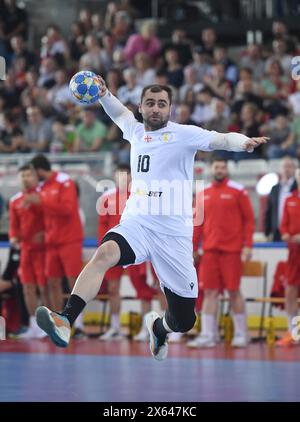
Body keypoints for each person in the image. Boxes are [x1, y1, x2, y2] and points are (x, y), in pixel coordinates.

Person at [36, 80, 268, 361]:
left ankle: (159, 327)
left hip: (174, 235)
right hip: (139, 224)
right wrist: (104, 94)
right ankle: (65, 320)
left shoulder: (184, 134)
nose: (156, 109)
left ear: (170, 108)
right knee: (104, 254)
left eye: (162, 104)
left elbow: (220, 139)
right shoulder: (134, 131)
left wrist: (244, 142)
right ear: (141, 107)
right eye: (150, 103)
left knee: (184, 321)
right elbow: (119, 113)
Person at [188, 158, 255, 348]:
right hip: (209, 251)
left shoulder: (238, 191)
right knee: (209, 292)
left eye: (223, 167)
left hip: (232, 251)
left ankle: (242, 334)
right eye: (216, 167)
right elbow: (196, 224)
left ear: (227, 169)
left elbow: (249, 221)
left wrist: (248, 245)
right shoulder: (203, 193)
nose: (220, 170)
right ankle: (209, 335)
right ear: (211, 169)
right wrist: (193, 248)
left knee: (234, 291)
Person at [25, 155, 84, 335]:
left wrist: (41, 202)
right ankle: (59, 323)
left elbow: (67, 209)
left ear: (37, 170)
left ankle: (78, 324)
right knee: (52, 283)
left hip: (69, 240)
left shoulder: (64, 181)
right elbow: (41, 212)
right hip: (52, 241)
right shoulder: (41, 187)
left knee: (74, 282)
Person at [98, 163, 157, 341]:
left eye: (126, 174)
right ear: (114, 177)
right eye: (119, 174)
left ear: (133, 176)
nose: (123, 178)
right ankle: (115, 328)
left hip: (136, 249)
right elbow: (102, 225)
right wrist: (103, 246)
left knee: (144, 289)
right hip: (113, 249)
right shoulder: (107, 197)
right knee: (113, 287)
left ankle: (149, 329)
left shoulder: (141, 195)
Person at [9, 164, 47, 338]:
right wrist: (13, 238)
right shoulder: (15, 200)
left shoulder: (44, 196)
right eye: (22, 175)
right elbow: (13, 227)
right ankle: (33, 325)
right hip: (26, 250)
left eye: (28, 175)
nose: (25, 178)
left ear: (35, 177)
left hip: (43, 250)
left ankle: (48, 325)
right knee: (27, 288)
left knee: (44, 287)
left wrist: (46, 234)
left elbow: (52, 219)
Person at [276, 167, 300, 347]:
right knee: (291, 291)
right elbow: (283, 226)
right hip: (294, 253)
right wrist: (285, 234)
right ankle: (294, 333)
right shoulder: (290, 200)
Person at [264, 156, 297, 241]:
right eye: (284, 166)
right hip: (277, 232)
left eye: (289, 166)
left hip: (294, 233)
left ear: (294, 169)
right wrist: (267, 232)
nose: (287, 169)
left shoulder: (298, 187)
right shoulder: (274, 189)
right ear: (280, 169)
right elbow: (269, 211)